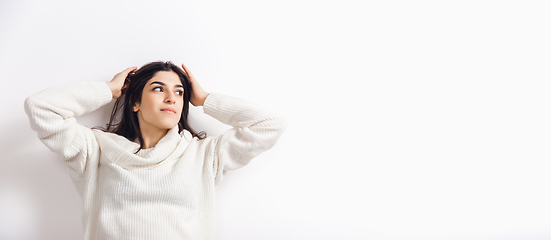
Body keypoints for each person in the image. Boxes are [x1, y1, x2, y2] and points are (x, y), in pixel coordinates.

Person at [24, 61, 286, 240]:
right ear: (135, 102)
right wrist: (109, 90)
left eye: (180, 92)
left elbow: (269, 125)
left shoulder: (205, 154)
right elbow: (41, 108)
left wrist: (205, 99)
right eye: (158, 89)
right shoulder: (95, 150)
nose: (172, 98)